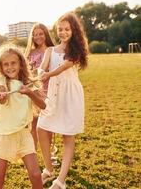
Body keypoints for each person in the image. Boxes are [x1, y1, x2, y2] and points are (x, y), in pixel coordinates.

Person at [37, 12, 88, 189]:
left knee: (68, 135)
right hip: (53, 94)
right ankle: (49, 169)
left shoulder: (75, 50)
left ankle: (61, 180)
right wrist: (41, 73)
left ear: (73, 30)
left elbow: (64, 66)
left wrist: (48, 75)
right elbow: (42, 68)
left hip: (70, 94)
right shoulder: (50, 50)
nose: (63, 32)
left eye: (67, 29)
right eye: (60, 29)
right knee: (41, 128)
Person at [0, 44, 46, 189]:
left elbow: (43, 105)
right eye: (5, 64)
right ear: (1, 67)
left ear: (20, 64)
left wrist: (29, 92)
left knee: (36, 175)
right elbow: (3, 97)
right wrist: (1, 95)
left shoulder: (27, 83)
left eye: (13, 63)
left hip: (24, 135)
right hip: (5, 135)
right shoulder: (3, 81)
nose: (10, 67)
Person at [24, 23, 54, 149]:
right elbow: (24, 71)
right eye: (35, 34)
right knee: (34, 123)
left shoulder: (53, 50)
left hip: (50, 90)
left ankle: (50, 152)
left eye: (40, 34)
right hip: (34, 91)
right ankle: (33, 153)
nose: (37, 37)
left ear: (46, 34)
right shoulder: (30, 52)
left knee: (48, 124)